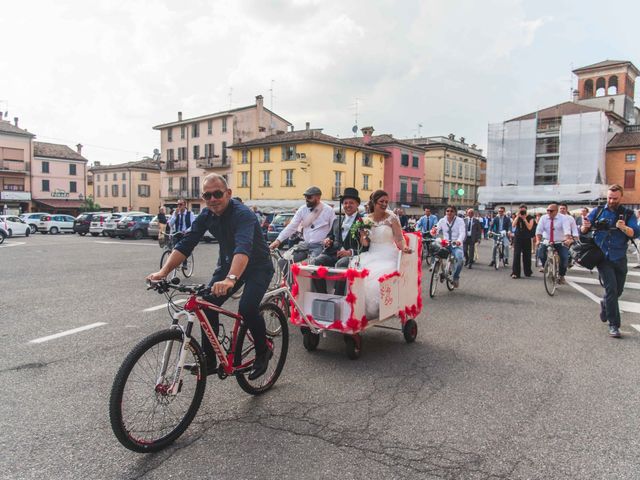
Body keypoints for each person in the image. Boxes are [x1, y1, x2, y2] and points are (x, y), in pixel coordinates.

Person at [147, 173, 274, 380]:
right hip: (228, 265)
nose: (213, 199)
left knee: (248, 307)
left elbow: (243, 248)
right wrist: (163, 272)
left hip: (257, 266)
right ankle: (209, 359)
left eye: (217, 194)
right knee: (206, 304)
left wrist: (230, 279)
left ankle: (263, 352)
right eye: (207, 195)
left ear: (228, 193)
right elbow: (186, 244)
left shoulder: (243, 215)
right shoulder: (206, 215)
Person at [581, 184, 640, 338]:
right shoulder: (599, 211)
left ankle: (605, 304)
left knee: (617, 291)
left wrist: (624, 228)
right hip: (603, 257)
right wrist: (585, 226)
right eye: (609, 198)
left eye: (614, 198)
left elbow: (635, 233)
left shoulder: (627, 214)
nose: (611, 201)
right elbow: (584, 229)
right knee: (612, 290)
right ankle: (614, 325)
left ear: (621, 197)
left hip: (620, 257)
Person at [356, 190, 412, 319]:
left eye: (386, 202)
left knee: (377, 279)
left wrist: (404, 247)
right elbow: (364, 244)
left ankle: (379, 307)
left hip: (388, 254)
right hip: (372, 254)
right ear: (374, 203)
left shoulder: (391, 218)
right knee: (357, 275)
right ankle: (357, 311)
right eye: (381, 202)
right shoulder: (365, 219)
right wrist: (363, 235)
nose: (384, 204)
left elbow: (399, 238)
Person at [313, 187, 366, 295]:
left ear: (357, 205)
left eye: (351, 203)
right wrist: (328, 241)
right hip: (333, 253)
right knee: (317, 261)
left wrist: (350, 252)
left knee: (341, 263)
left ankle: (338, 296)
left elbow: (366, 246)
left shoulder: (363, 222)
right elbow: (331, 236)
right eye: (345, 203)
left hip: (353, 257)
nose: (348, 205)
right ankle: (322, 294)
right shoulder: (337, 221)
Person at [269, 186, 335, 263]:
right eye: (305, 197)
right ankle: (289, 275)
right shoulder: (302, 209)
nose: (306, 199)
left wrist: (330, 242)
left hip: (320, 246)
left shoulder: (329, 210)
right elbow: (292, 226)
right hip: (305, 244)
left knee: (313, 266)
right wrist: (278, 240)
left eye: (309, 197)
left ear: (318, 197)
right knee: (283, 261)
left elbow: (333, 230)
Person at [535, 202, 572, 284]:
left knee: (564, 257)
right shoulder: (543, 218)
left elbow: (567, 230)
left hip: (560, 241)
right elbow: (539, 231)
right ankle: (547, 267)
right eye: (547, 210)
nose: (549, 212)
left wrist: (567, 240)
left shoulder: (563, 218)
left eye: (551, 211)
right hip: (547, 240)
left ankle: (562, 275)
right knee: (541, 254)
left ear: (556, 211)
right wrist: (538, 240)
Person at [432, 205, 466, 288]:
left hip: (456, 245)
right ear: (445, 212)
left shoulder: (460, 221)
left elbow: (462, 233)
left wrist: (459, 241)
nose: (449, 212)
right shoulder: (442, 220)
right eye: (447, 211)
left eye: (451, 211)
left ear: (455, 213)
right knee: (435, 250)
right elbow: (436, 228)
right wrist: (433, 231)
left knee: (460, 260)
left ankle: (455, 277)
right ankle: (438, 268)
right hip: (445, 244)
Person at [511, 204, 534, 279]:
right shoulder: (517, 216)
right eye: (521, 210)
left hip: (526, 238)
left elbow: (530, 227)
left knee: (527, 255)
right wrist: (518, 216)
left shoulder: (530, 217)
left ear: (526, 210)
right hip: (518, 237)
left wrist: (524, 219)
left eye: (523, 210)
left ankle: (527, 272)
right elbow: (513, 225)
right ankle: (515, 273)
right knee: (516, 255)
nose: (522, 211)